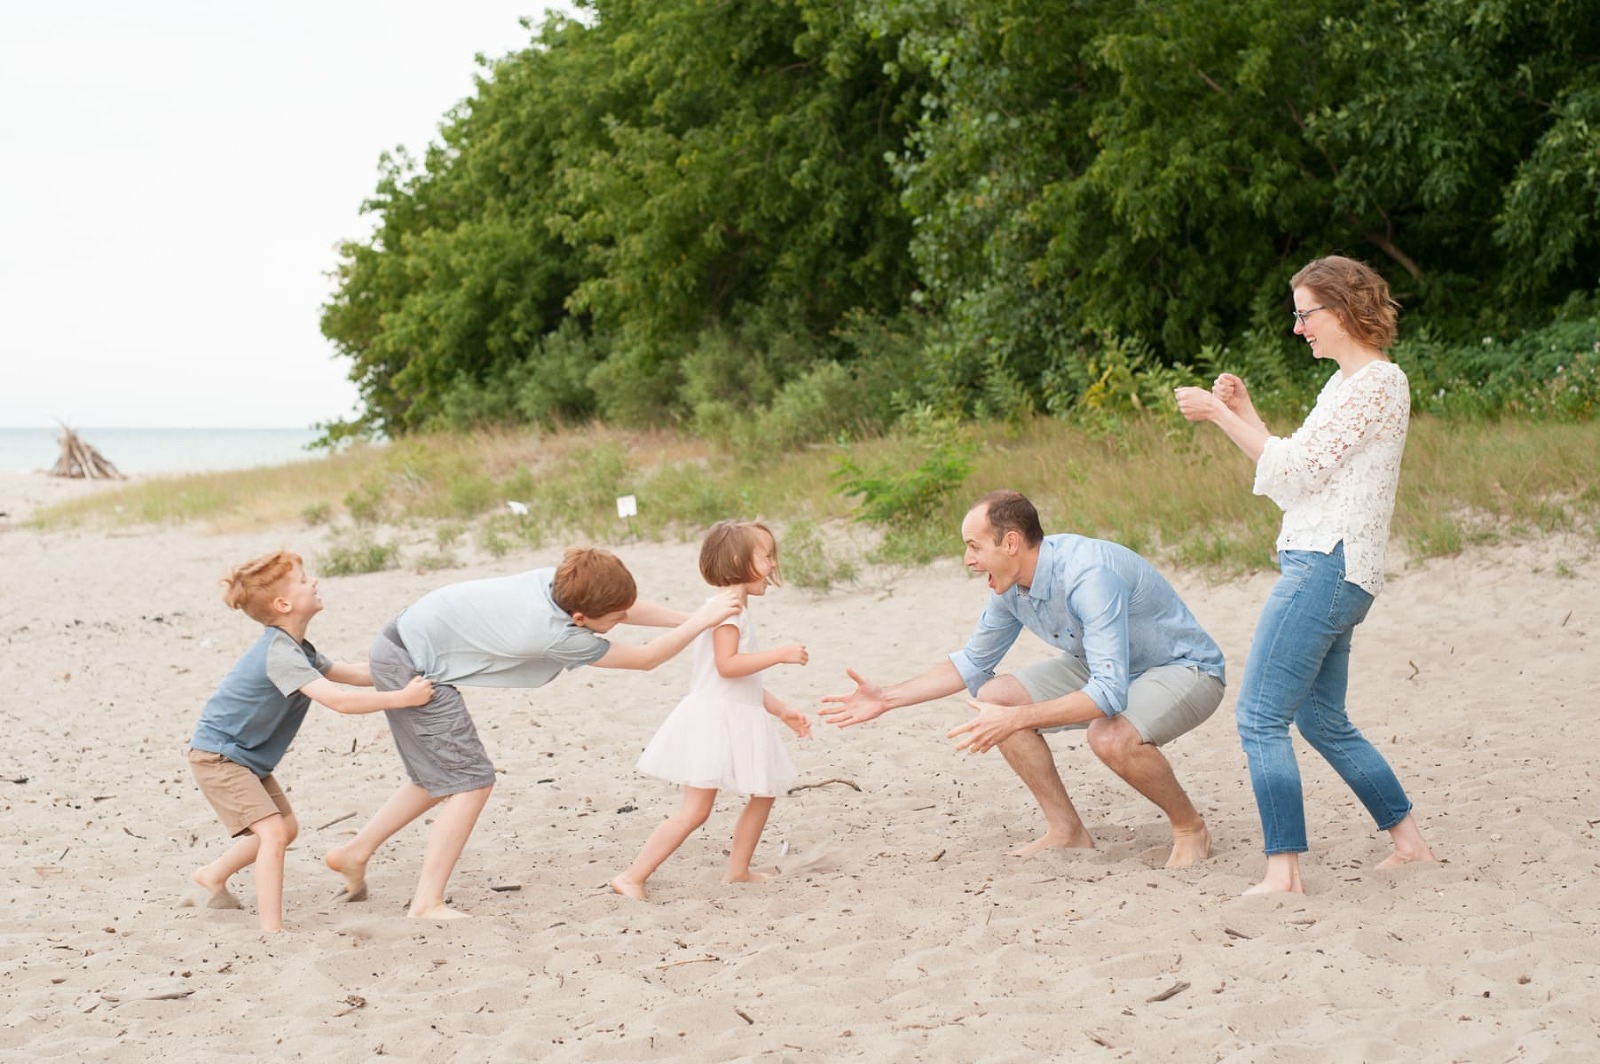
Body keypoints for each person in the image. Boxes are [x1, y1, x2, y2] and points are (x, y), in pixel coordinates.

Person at [1175, 253, 1437, 894]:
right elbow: (1298, 474)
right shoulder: (1344, 386)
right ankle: (1409, 844)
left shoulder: (1378, 383)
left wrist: (1218, 415)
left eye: (1305, 314)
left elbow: (1298, 470)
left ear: (1343, 309)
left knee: (1259, 716)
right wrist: (1246, 413)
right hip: (1330, 562)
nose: (1298, 329)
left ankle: (1283, 870)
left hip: (1327, 564)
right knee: (1321, 719)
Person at [324, 547, 741, 919]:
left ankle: (353, 852)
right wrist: (702, 620)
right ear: (579, 619)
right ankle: (426, 903)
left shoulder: (563, 581)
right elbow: (646, 659)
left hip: (400, 647)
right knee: (472, 781)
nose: (618, 623)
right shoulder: (552, 632)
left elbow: (623, 607)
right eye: (612, 620)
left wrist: (694, 620)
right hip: (410, 666)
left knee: (436, 778)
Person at [820, 490, 1226, 868]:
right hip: (1105, 664)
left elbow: (1108, 694)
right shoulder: (1010, 585)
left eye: (974, 546)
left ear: (1010, 543)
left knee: (1108, 736)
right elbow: (971, 664)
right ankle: (1067, 831)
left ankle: (1190, 827)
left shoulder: (1089, 575)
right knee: (996, 698)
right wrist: (886, 698)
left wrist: (1018, 719)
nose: (968, 559)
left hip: (1184, 669)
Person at [187, 549, 434, 932]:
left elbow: (350, 674)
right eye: (304, 580)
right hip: (220, 757)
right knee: (272, 834)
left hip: (246, 757)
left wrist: (411, 670)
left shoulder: (296, 649)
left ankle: (212, 875)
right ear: (283, 603)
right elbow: (339, 700)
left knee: (286, 828)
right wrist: (403, 698)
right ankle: (272, 929)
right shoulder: (279, 653)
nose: (313, 582)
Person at [611, 521, 811, 900]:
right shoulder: (728, 612)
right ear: (738, 561)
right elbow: (728, 666)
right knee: (695, 811)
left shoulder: (728, 609)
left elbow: (742, 680)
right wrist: (780, 654)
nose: (773, 566)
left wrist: (782, 710)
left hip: (733, 713)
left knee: (763, 792)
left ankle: (738, 870)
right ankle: (632, 876)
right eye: (767, 556)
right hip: (716, 721)